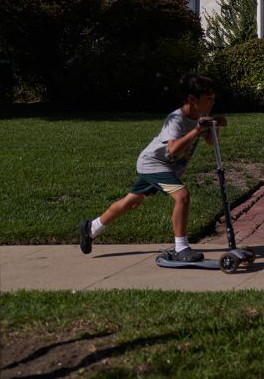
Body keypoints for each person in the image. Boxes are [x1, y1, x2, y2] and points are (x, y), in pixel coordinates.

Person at [79, 73, 226, 262]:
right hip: (153, 164)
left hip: (164, 167)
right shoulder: (176, 119)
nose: (213, 102)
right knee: (182, 196)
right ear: (191, 99)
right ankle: (181, 248)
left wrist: (214, 126)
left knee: (132, 202)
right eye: (208, 99)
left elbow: (209, 142)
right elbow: (172, 151)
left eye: (213, 98)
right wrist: (197, 129)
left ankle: (91, 228)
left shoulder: (200, 115)